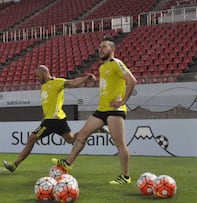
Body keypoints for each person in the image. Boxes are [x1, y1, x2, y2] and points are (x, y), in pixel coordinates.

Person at [53, 36, 137, 184]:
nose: (101, 50)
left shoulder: (116, 63)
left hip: (114, 110)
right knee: (83, 133)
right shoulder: (102, 67)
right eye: (99, 47)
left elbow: (132, 80)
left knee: (119, 142)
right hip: (101, 109)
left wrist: (123, 101)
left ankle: (125, 176)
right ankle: (68, 163)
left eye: (104, 47)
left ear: (112, 49)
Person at [3, 65, 96, 172]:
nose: (36, 78)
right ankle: (91, 129)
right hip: (56, 120)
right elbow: (47, 105)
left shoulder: (56, 82)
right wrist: (44, 117)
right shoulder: (43, 87)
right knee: (71, 140)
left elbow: (73, 82)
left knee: (31, 139)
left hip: (53, 120)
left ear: (44, 74)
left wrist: (86, 78)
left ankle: (14, 165)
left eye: (37, 76)